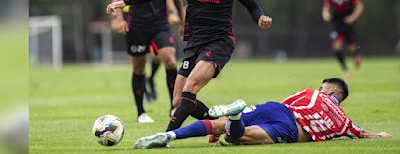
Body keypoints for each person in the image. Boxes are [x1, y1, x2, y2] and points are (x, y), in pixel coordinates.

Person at [106, 0, 272, 131]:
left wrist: (260, 17)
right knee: (178, 100)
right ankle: (225, 121)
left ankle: (167, 135)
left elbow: (251, 4)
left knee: (190, 86)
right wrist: (124, 2)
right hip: (194, 44)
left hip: (219, 42)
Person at [133, 78, 391, 149]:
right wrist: (380, 135)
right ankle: (234, 119)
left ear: (330, 89)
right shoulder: (343, 120)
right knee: (238, 137)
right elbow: (364, 134)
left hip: (277, 108)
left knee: (220, 126)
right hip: (291, 129)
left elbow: (284, 103)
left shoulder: (308, 92)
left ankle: (170, 136)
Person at [112, 0, 184, 123]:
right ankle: (141, 112)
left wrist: (184, 22)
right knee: (139, 68)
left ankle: (173, 107)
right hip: (137, 26)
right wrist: (119, 19)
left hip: (160, 25)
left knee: (169, 59)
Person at [322, 0, 364, 78]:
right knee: (336, 46)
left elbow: (359, 6)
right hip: (337, 24)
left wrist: (353, 17)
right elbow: (326, 8)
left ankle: (356, 55)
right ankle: (345, 69)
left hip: (348, 24)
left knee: (351, 48)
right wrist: (325, 15)